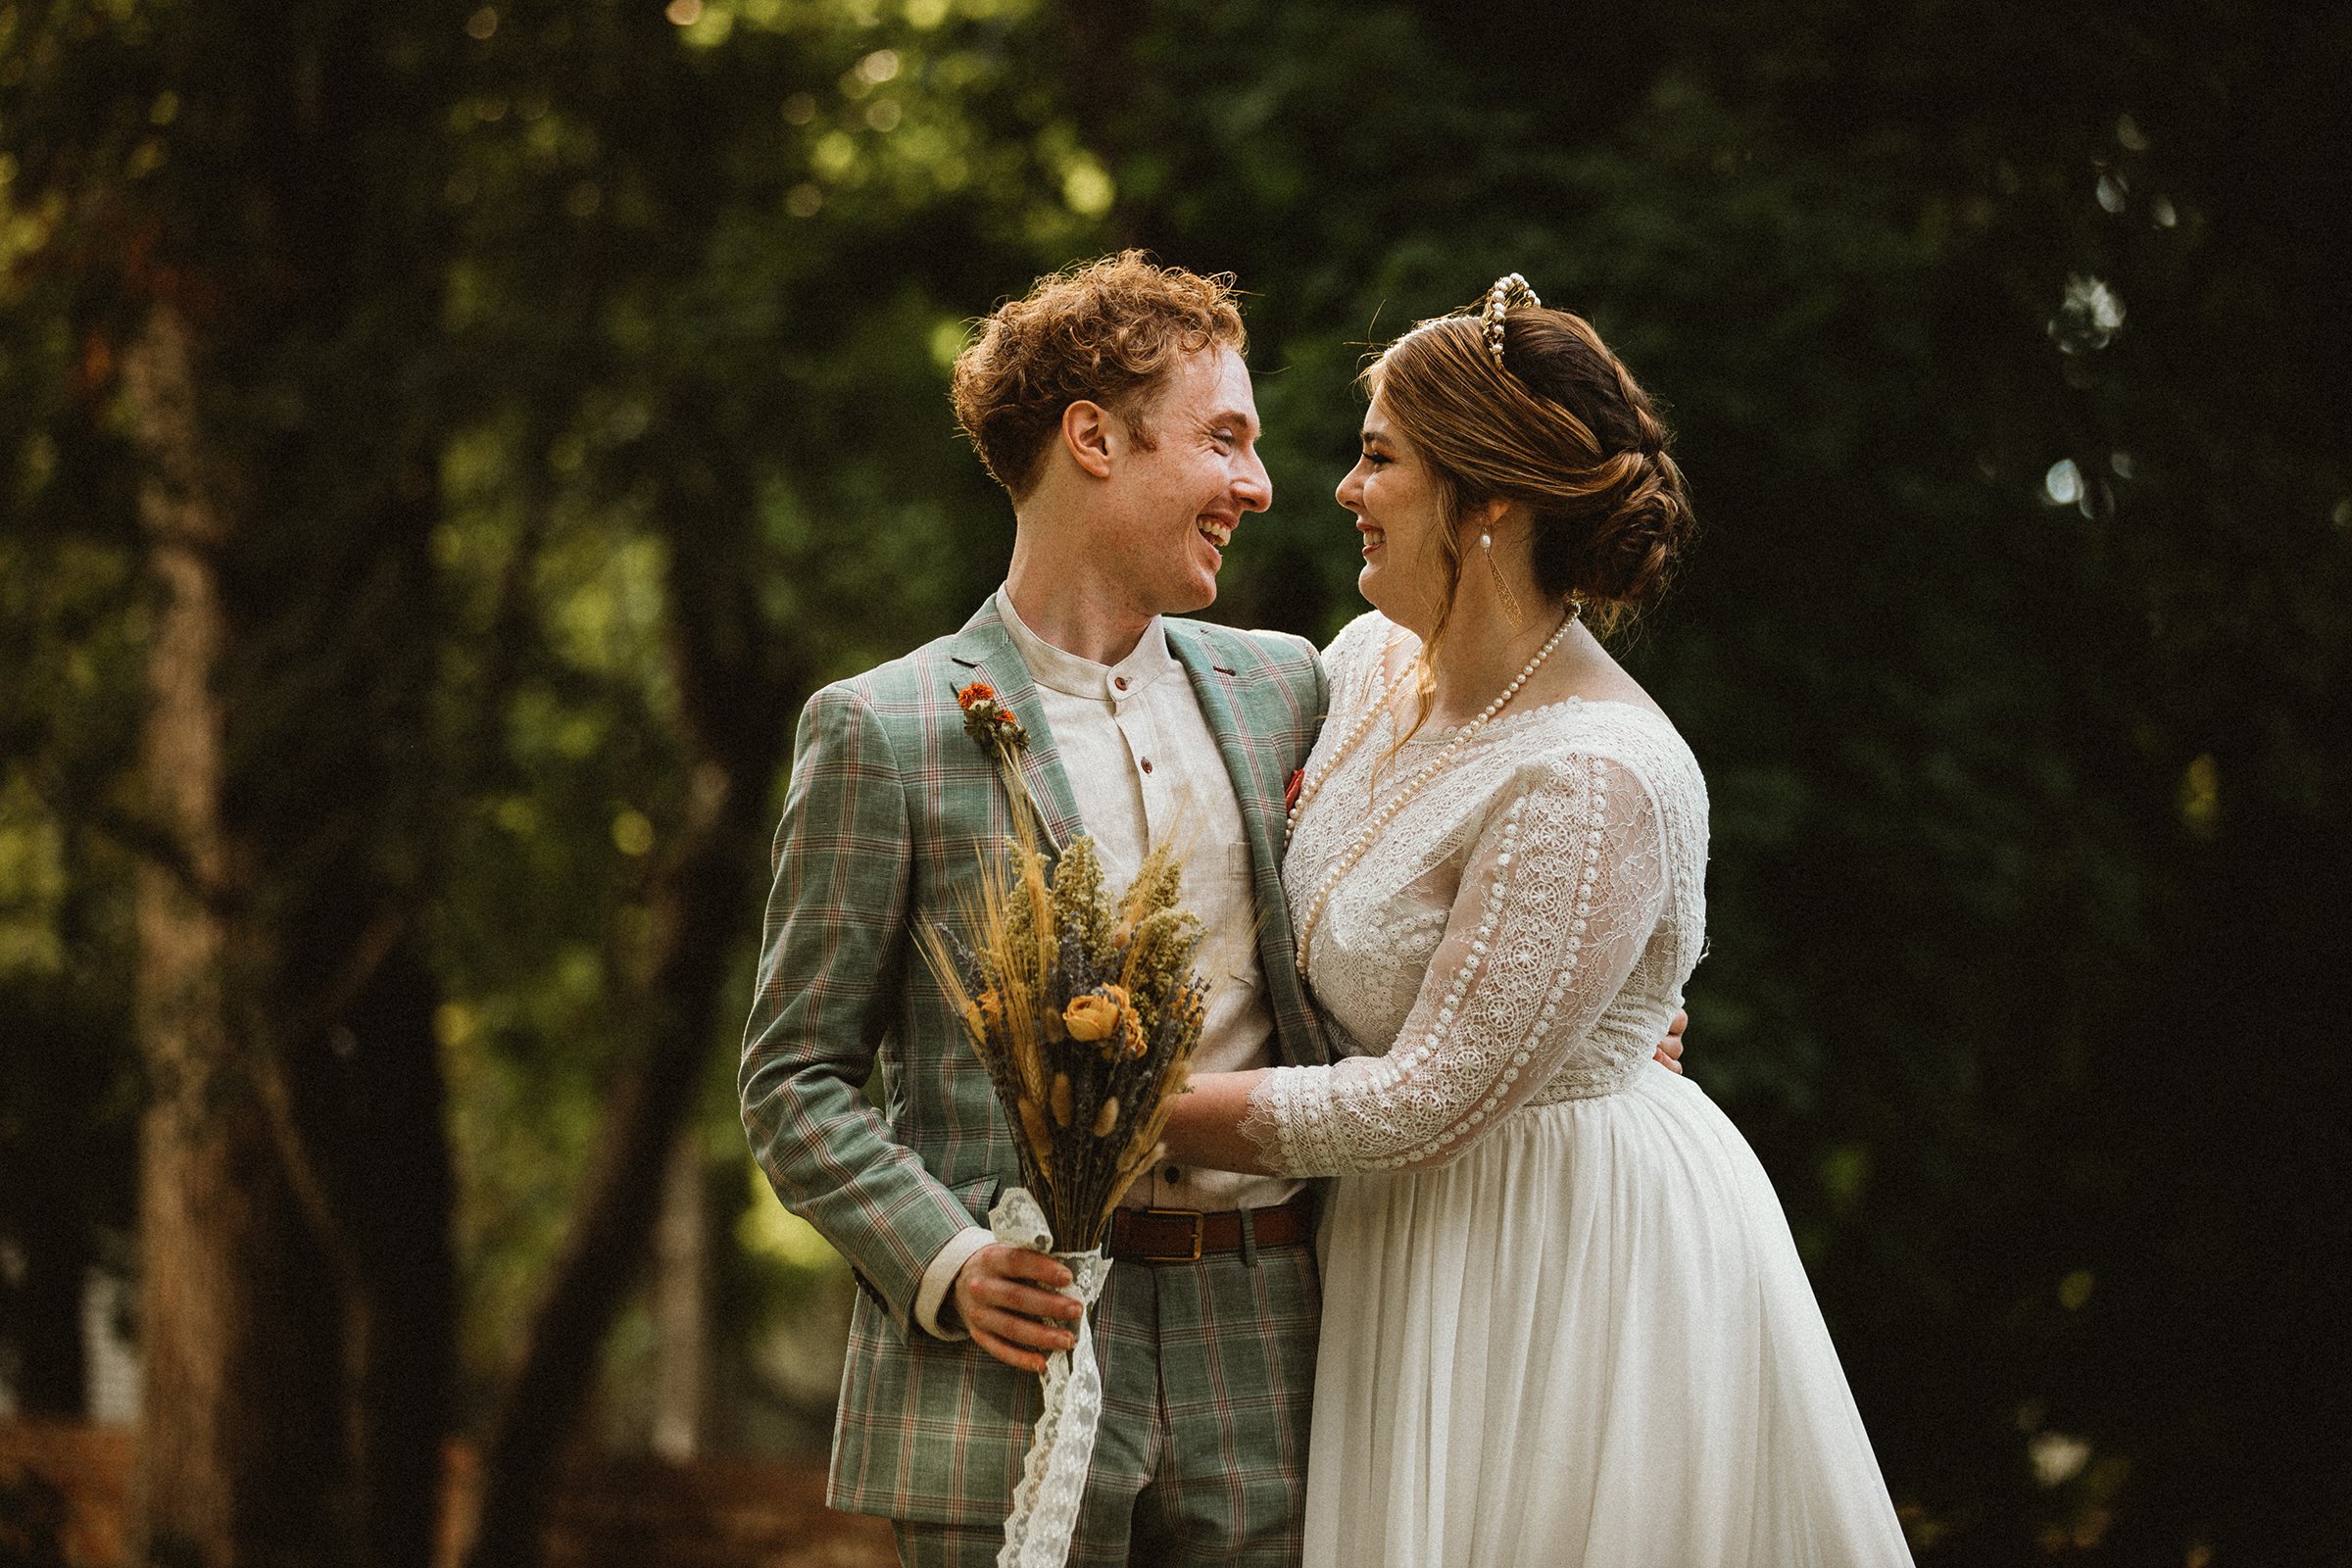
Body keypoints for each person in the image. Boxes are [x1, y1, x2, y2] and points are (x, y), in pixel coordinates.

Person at [1161, 277, 1914, 1565]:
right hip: (1402, 1237)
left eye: (1380, 456)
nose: (1343, 488)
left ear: (1491, 497)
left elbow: (1430, 1096)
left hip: (1553, 1256)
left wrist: (1136, 1105)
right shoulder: (1361, 669)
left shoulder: (1599, 769)